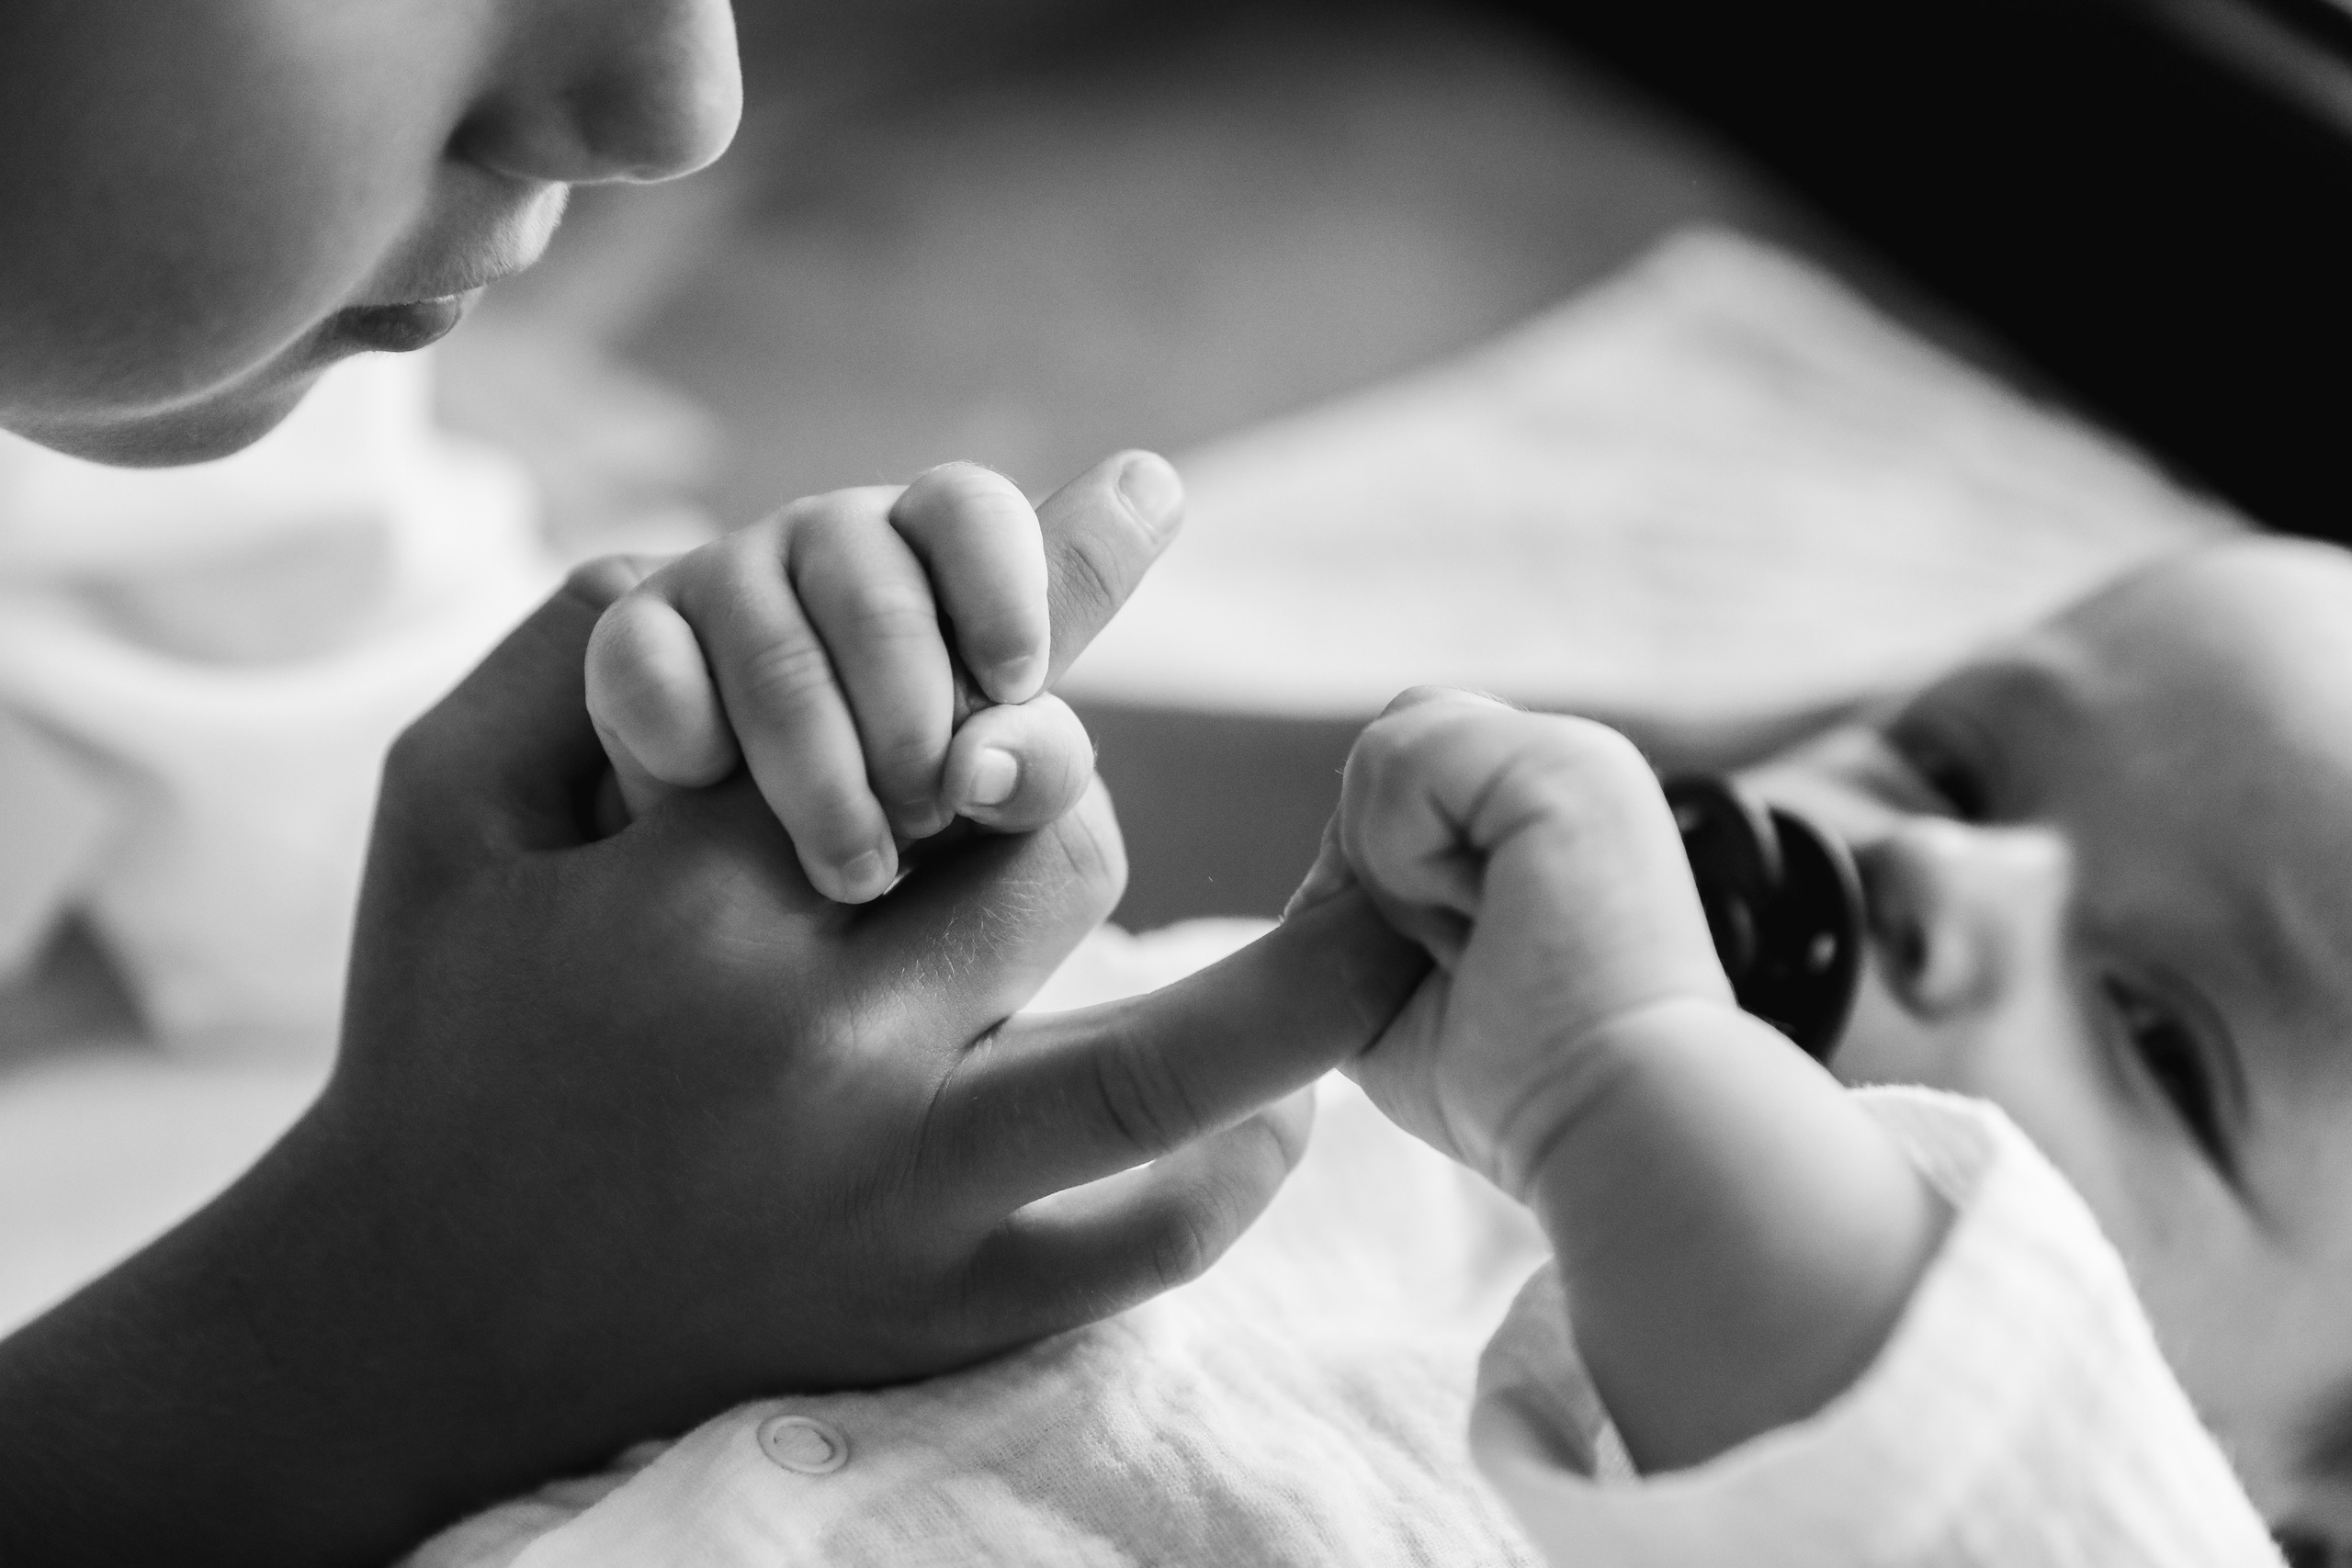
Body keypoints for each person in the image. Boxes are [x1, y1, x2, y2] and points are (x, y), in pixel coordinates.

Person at [0, 7, 1426, 1562]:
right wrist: (400, 1310)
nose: (681, 105)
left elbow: (354, 794)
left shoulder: (166, 434)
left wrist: (716, 754)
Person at [455, 461, 2345, 1557]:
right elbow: (608, 1215)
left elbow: (1983, 1472)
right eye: (1944, 760)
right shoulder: (1269, 1039)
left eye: (2162, 1037)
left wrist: (1619, 1084)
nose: (1940, 873)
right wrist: (798, 804)